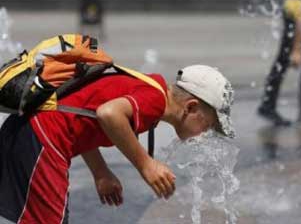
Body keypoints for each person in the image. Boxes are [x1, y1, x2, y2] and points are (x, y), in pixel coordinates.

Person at [0, 64, 234, 224]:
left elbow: (80, 116)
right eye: (211, 123)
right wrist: (146, 165)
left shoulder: (150, 88)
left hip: (31, 132)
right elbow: (109, 114)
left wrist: (100, 172)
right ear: (191, 107)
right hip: (43, 139)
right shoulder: (154, 100)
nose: (208, 131)